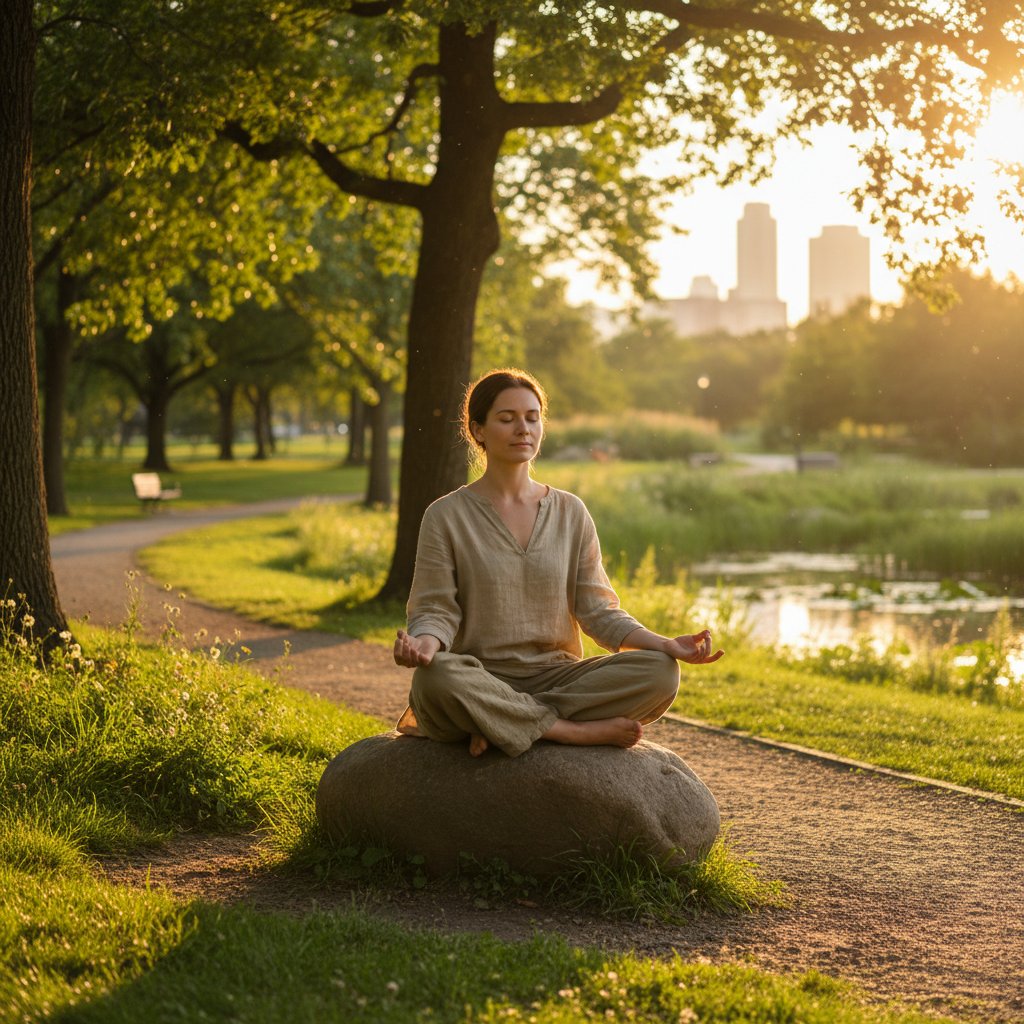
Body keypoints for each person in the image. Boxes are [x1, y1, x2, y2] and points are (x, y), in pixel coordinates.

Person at [393, 368, 723, 758]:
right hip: (479, 676)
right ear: (478, 430)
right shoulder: (446, 515)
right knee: (436, 680)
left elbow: (599, 613)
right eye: (507, 418)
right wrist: (424, 648)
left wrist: (666, 643)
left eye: (532, 418)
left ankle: (498, 724)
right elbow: (435, 609)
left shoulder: (570, 511)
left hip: (559, 677)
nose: (523, 429)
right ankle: (569, 732)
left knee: (661, 671)